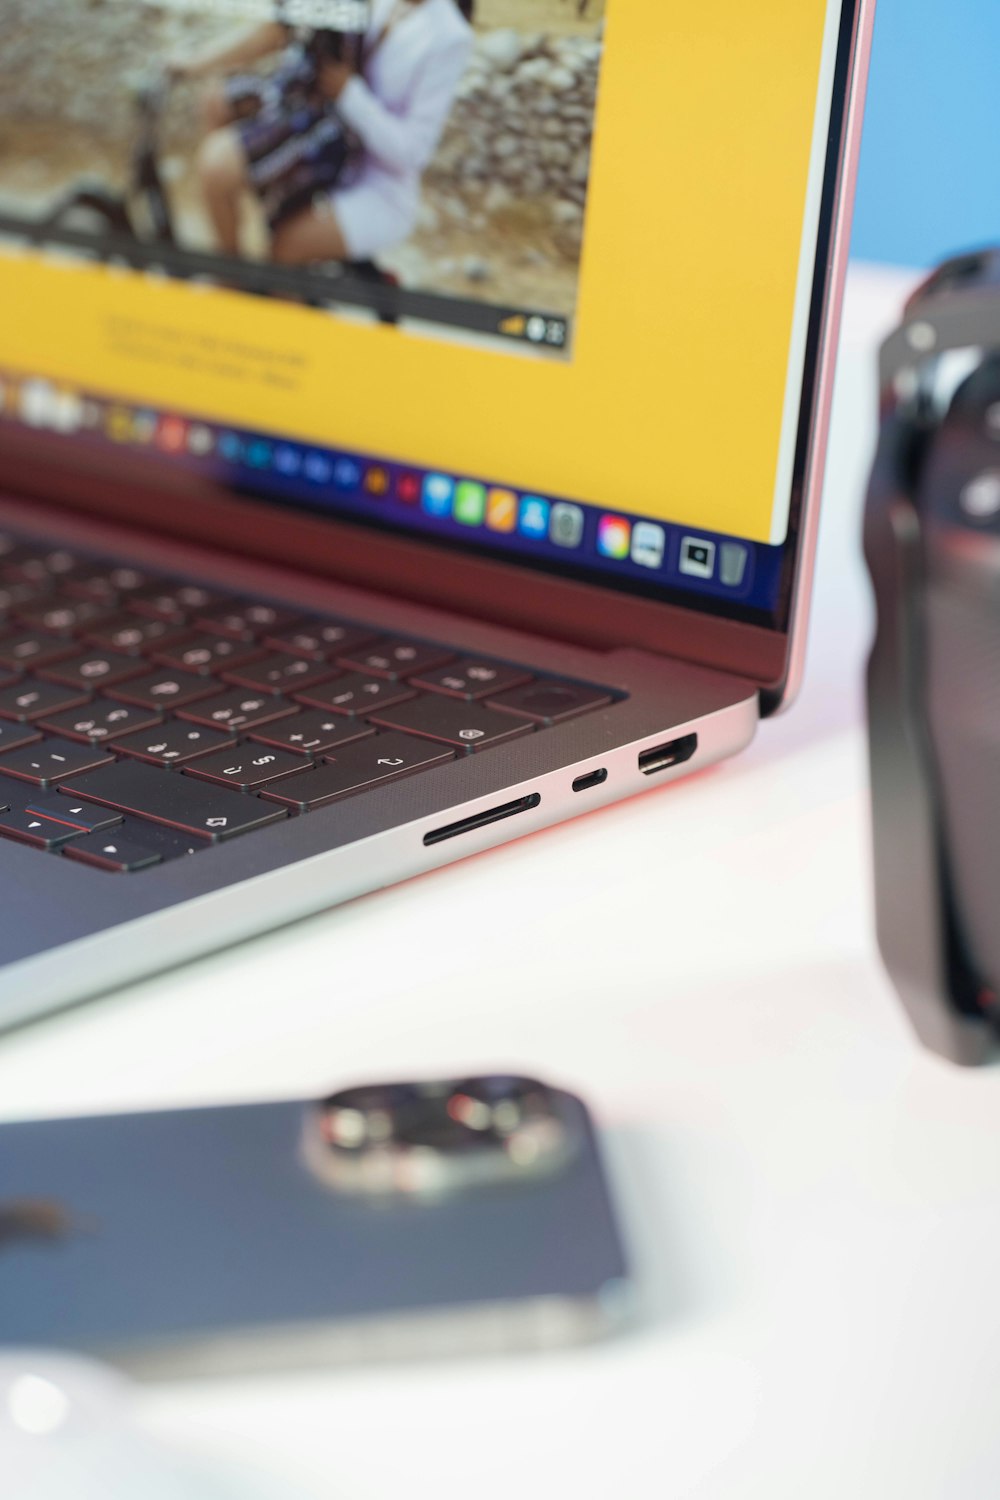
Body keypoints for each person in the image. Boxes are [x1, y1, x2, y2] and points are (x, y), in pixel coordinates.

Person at [172, 0, 474, 266]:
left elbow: (413, 153)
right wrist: (193, 65)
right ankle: (235, 264)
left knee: (281, 248)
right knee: (216, 105)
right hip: (323, 126)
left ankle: (238, 288)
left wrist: (348, 93)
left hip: (373, 174)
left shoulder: (449, 36)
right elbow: (280, 27)